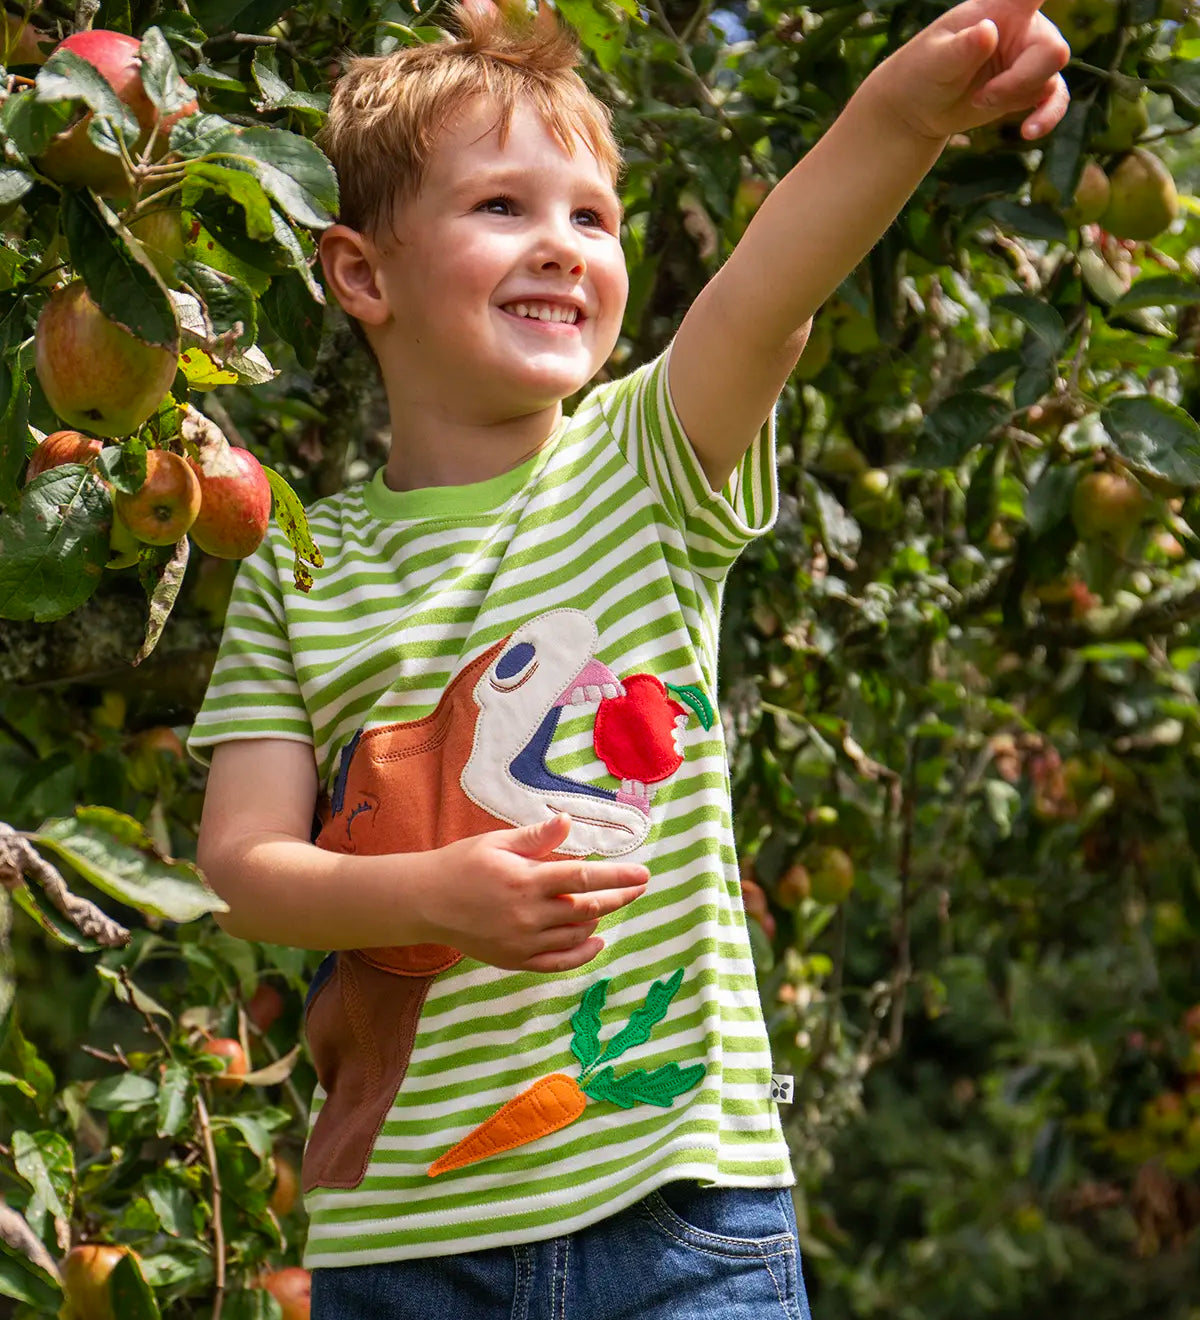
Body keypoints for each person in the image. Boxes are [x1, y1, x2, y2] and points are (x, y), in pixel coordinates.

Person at [190, 0, 1069, 1314]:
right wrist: (438, 895)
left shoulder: (644, 460)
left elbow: (773, 285)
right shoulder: (302, 565)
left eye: (594, 218)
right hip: (408, 1253)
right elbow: (242, 871)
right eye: (502, 207)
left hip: (683, 1222)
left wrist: (906, 114)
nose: (562, 245)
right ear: (363, 273)